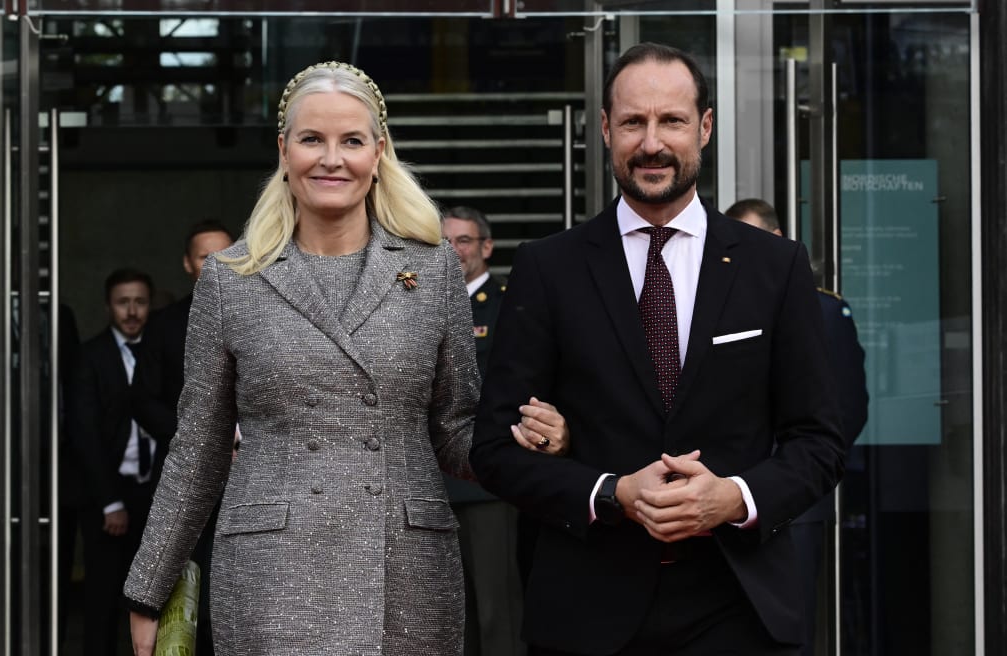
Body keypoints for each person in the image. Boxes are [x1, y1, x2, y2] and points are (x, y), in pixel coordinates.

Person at [122, 61, 567, 656]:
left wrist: (524, 440)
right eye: (312, 139)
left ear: (378, 153)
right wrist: (148, 589)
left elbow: (456, 429)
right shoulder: (231, 278)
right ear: (284, 150)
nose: (332, 159)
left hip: (406, 571)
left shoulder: (432, 268)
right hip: (271, 573)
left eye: (352, 141)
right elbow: (199, 447)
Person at [470, 43, 846, 656]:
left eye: (671, 120)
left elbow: (820, 440)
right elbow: (493, 450)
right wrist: (610, 491)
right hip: (587, 610)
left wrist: (735, 497)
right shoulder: (548, 268)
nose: (651, 143)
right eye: (632, 122)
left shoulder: (774, 266)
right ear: (604, 129)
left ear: (704, 127)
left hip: (739, 604)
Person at [725, 197, 868, 656]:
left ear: (778, 240)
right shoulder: (716, 307)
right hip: (721, 502)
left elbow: (846, 410)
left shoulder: (822, 309)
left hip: (795, 503)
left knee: (789, 633)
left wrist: (792, 475)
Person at [441, 206, 549, 656]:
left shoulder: (509, 303)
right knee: (449, 613)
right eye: (444, 241)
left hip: (488, 481)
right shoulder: (419, 301)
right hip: (431, 481)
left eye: (463, 241)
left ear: (486, 247)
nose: (453, 250)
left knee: (496, 609)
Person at [132, 219, 234, 656]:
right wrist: (202, 438)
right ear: (188, 264)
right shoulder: (164, 325)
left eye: (226, 253)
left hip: (254, 473)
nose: (217, 263)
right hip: (187, 474)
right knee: (185, 581)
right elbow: (142, 400)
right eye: (206, 256)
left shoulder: (263, 314)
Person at [68, 268, 168, 656]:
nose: (131, 311)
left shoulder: (162, 351)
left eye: (140, 302)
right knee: (103, 598)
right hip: (108, 493)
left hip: (155, 491)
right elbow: (84, 434)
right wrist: (110, 502)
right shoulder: (90, 356)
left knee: (156, 595)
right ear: (108, 307)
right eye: (122, 302)